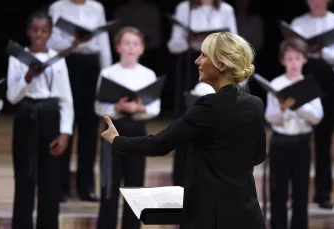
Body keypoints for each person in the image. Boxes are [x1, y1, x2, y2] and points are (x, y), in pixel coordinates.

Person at [101, 32, 267, 229]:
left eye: (204, 55)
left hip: (208, 216)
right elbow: (258, 155)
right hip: (246, 213)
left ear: (221, 64)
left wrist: (117, 140)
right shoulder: (255, 104)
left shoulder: (208, 106)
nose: (197, 61)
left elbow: (160, 144)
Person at [6, 11, 74, 229]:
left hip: (50, 117)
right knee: (24, 177)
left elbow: (66, 99)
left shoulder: (58, 61)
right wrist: (27, 77)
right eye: (35, 30)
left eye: (44, 30)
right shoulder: (17, 57)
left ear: (50, 33)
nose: (39, 34)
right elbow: (12, 96)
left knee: (50, 180)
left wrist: (64, 133)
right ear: (28, 31)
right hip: (27, 115)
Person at [95, 27, 161, 229]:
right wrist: (117, 107)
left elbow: (154, 108)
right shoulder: (108, 72)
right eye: (126, 43)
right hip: (111, 130)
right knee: (109, 186)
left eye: (135, 44)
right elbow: (98, 106)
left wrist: (138, 107)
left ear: (142, 49)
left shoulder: (147, 74)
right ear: (117, 47)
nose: (130, 48)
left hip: (137, 132)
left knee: (134, 187)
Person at [168, 0, 238, 188]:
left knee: (217, 122)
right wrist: (189, 40)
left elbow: (235, 47)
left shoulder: (225, 9)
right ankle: (181, 182)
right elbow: (173, 45)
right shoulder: (185, 8)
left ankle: (212, 179)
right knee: (185, 123)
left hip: (218, 66)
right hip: (192, 65)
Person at [47, 0, 112, 202]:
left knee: (89, 128)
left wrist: (106, 77)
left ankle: (87, 187)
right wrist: (73, 42)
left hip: (91, 67)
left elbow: (103, 44)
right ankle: (60, 186)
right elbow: (50, 43)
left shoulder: (97, 7)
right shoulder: (57, 7)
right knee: (65, 125)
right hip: (67, 63)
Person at [291, 0, 334, 209]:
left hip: (328, 80)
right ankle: (297, 192)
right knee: (299, 136)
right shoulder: (298, 23)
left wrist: (323, 51)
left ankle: (324, 192)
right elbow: (291, 54)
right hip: (303, 77)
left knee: (324, 139)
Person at [265, 38, 323, 229]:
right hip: (280, 142)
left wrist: (296, 106)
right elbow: (270, 117)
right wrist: (282, 110)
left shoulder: (309, 84)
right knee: (278, 192)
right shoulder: (276, 83)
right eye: (289, 59)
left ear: (304, 60)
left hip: (301, 142)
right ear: (283, 61)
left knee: (301, 192)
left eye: (297, 58)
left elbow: (317, 117)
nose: (293, 63)